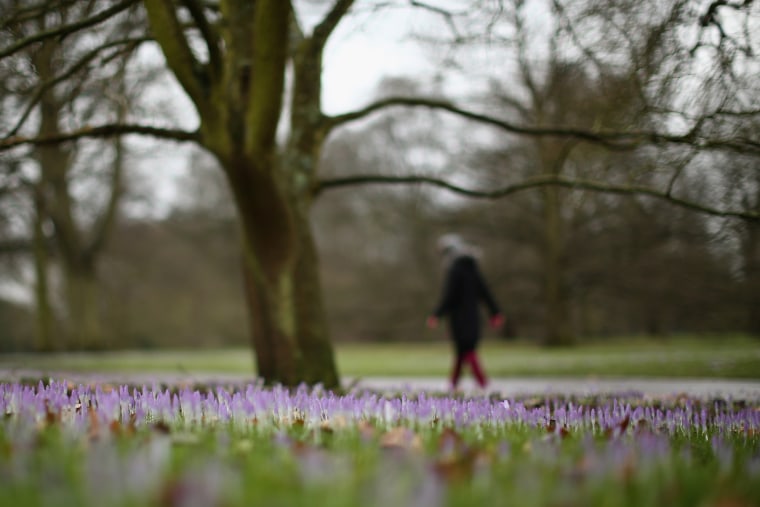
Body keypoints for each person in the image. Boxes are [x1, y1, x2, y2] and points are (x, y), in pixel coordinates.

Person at [427, 234, 504, 391]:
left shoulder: (455, 269)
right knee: (462, 351)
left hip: (459, 318)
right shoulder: (472, 268)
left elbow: (449, 296)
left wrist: (436, 315)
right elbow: (484, 291)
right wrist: (495, 312)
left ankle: (483, 383)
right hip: (473, 316)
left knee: (467, 350)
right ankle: (453, 383)